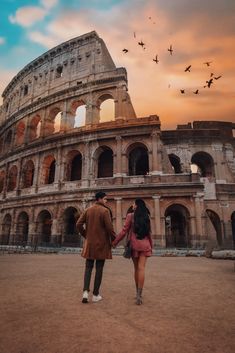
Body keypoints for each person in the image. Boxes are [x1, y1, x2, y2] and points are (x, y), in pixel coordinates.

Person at [76, 191, 116, 303]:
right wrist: (115, 239)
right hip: (102, 244)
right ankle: (95, 294)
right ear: (99, 199)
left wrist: (86, 235)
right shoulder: (105, 211)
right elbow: (109, 228)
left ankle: (85, 292)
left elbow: (78, 224)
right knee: (99, 268)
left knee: (88, 267)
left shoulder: (88, 210)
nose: (106, 201)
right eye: (105, 199)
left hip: (90, 243)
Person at [112, 198, 152, 305]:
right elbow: (149, 233)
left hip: (135, 245)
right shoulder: (146, 216)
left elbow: (124, 231)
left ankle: (137, 294)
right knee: (142, 268)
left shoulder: (131, 216)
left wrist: (115, 242)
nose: (133, 205)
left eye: (134, 204)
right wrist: (150, 246)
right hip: (145, 244)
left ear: (137, 205)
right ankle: (140, 295)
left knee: (136, 269)